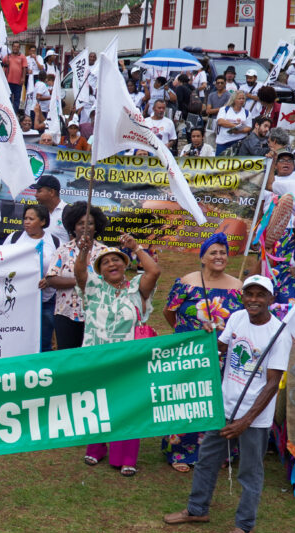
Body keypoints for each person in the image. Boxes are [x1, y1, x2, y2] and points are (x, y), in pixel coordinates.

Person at [163, 275, 289, 533]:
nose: (253, 299)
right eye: (249, 294)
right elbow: (223, 346)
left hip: (253, 418)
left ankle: (245, 526)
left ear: (270, 299)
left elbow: (272, 384)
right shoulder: (237, 317)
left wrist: (245, 421)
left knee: (249, 472)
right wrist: (208, 330)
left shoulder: (279, 333)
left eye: (260, 295)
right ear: (243, 296)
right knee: (206, 459)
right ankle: (197, 510)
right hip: (225, 406)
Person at [76, 233, 160, 476]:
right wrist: (83, 251)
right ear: (100, 270)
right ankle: (97, 446)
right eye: (105, 262)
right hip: (96, 357)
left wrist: (136, 247)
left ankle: (126, 457)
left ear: (125, 265)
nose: (112, 264)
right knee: (99, 401)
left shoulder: (136, 287)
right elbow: (80, 272)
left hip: (129, 358)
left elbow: (154, 272)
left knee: (128, 404)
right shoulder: (93, 287)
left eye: (117, 260)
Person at [162, 233, 243, 471]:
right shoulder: (187, 281)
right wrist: (185, 335)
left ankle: (218, 454)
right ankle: (180, 452)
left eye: (223, 252)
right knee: (186, 398)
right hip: (189, 353)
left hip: (223, 356)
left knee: (219, 402)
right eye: (213, 252)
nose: (219, 257)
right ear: (203, 257)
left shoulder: (238, 287)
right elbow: (170, 311)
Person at [45, 202, 110, 350]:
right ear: (73, 227)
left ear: (96, 227)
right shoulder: (63, 250)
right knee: (67, 357)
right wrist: (81, 281)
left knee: (93, 355)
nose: (85, 227)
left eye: (90, 223)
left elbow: (111, 281)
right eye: (80, 223)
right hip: (66, 313)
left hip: (97, 314)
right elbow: (51, 278)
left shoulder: (105, 251)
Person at [4, 205, 61, 352]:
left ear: (42, 221)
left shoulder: (55, 242)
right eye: (25, 218)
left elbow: (61, 268)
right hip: (17, 300)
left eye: (31, 219)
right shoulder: (14, 238)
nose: (26, 222)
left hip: (46, 300)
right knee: (17, 338)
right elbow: (1, 262)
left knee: (44, 340)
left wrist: (49, 280)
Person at [32, 175, 70, 241]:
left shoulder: (69, 213)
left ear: (52, 192)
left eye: (39, 191)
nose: (35, 195)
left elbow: (75, 243)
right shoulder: (39, 213)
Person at [214, 91, 251, 155]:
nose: (241, 100)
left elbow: (248, 127)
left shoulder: (247, 113)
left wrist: (239, 131)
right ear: (234, 99)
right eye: (239, 98)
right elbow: (220, 121)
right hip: (223, 142)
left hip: (239, 142)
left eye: (243, 99)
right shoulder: (224, 109)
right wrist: (235, 126)